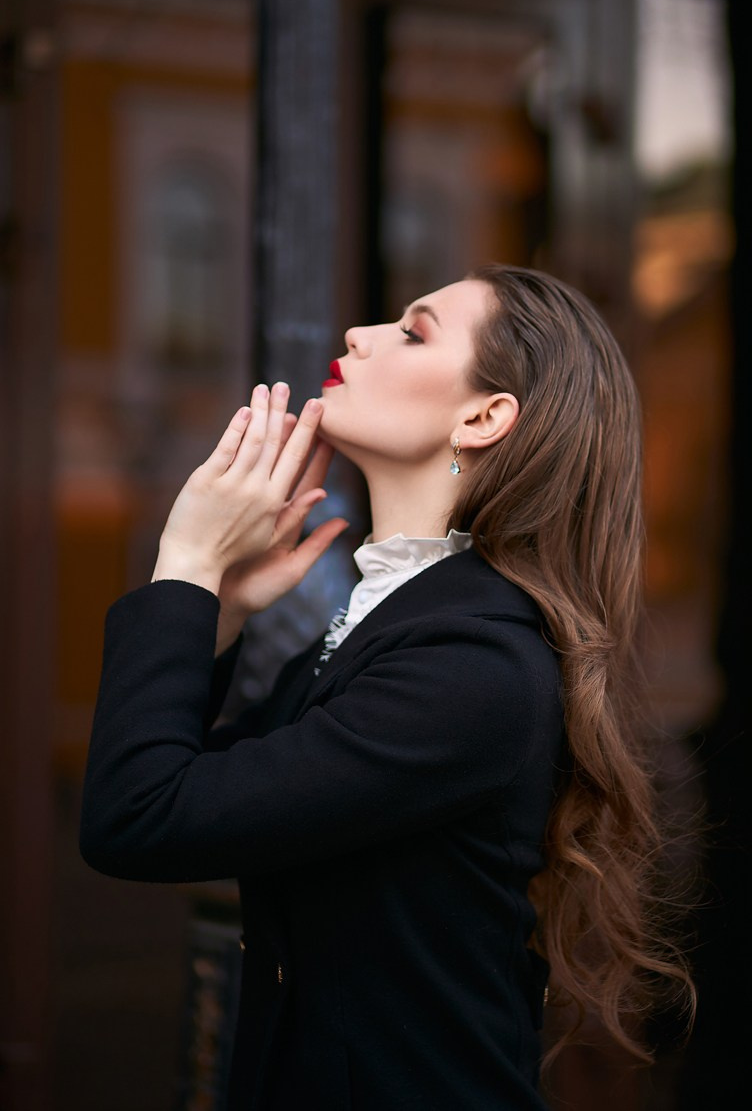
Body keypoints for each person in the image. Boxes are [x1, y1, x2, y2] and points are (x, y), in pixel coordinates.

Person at [80, 264, 692, 1109]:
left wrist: (188, 563)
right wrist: (214, 614)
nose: (358, 336)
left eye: (414, 331)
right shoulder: (390, 628)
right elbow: (178, 786)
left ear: (484, 416)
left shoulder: (470, 667)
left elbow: (138, 816)